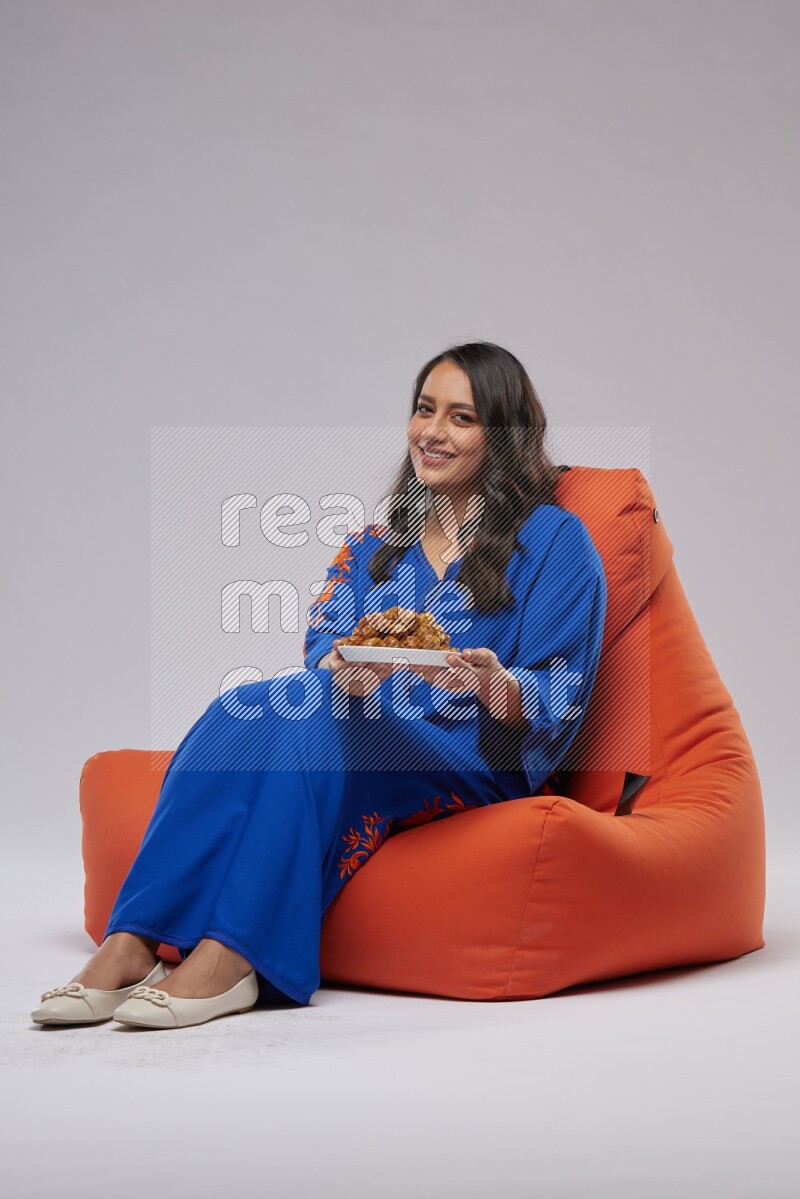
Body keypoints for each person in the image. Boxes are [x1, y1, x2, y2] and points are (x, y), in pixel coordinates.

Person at [31, 340, 607, 1030]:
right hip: (369, 728)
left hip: (475, 757)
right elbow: (322, 649)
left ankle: (234, 958)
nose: (433, 431)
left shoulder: (554, 540)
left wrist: (496, 684)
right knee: (244, 703)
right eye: (425, 409)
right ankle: (133, 939)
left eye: (462, 417)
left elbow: (562, 689)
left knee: (315, 716)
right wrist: (342, 665)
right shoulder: (376, 543)